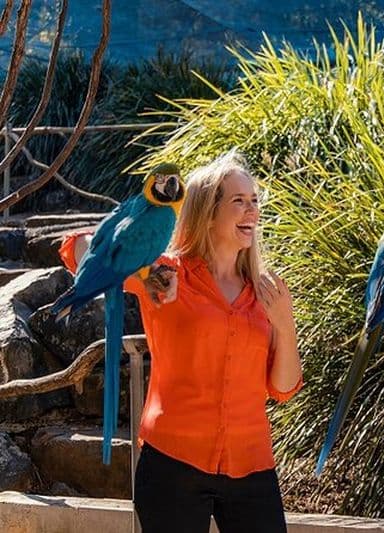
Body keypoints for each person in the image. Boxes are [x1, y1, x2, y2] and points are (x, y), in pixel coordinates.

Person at [63, 151, 302, 533]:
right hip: (174, 464)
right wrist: (147, 272)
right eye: (238, 201)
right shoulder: (168, 273)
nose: (251, 211)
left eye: (254, 201)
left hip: (251, 466)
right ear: (208, 212)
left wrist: (285, 327)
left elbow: (283, 388)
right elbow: (76, 249)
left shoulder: (267, 292)